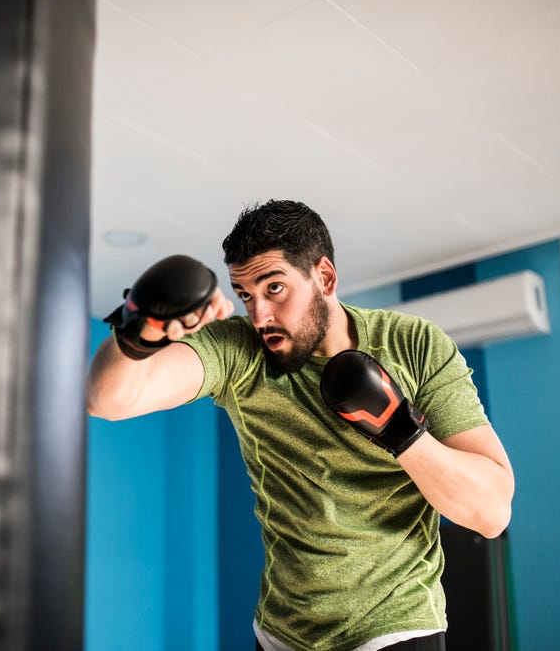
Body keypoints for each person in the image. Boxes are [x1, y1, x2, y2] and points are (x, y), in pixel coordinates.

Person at [86, 199, 514, 651]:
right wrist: (138, 325)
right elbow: (106, 400)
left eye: (274, 288)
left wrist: (400, 431)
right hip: (281, 634)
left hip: (396, 625)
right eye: (246, 294)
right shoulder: (239, 350)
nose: (259, 316)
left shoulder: (414, 344)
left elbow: (491, 513)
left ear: (324, 277)